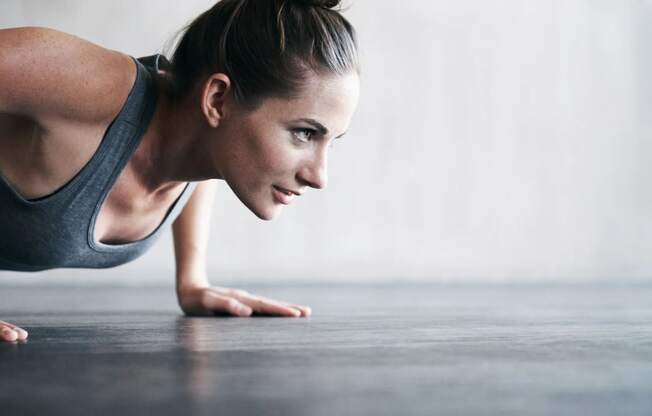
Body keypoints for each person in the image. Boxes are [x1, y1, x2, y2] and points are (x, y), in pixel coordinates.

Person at [0, 0, 360, 342]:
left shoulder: (199, 146)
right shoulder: (98, 88)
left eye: (333, 140)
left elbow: (204, 154)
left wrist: (192, 281)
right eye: (304, 133)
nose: (319, 176)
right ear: (218, 100)